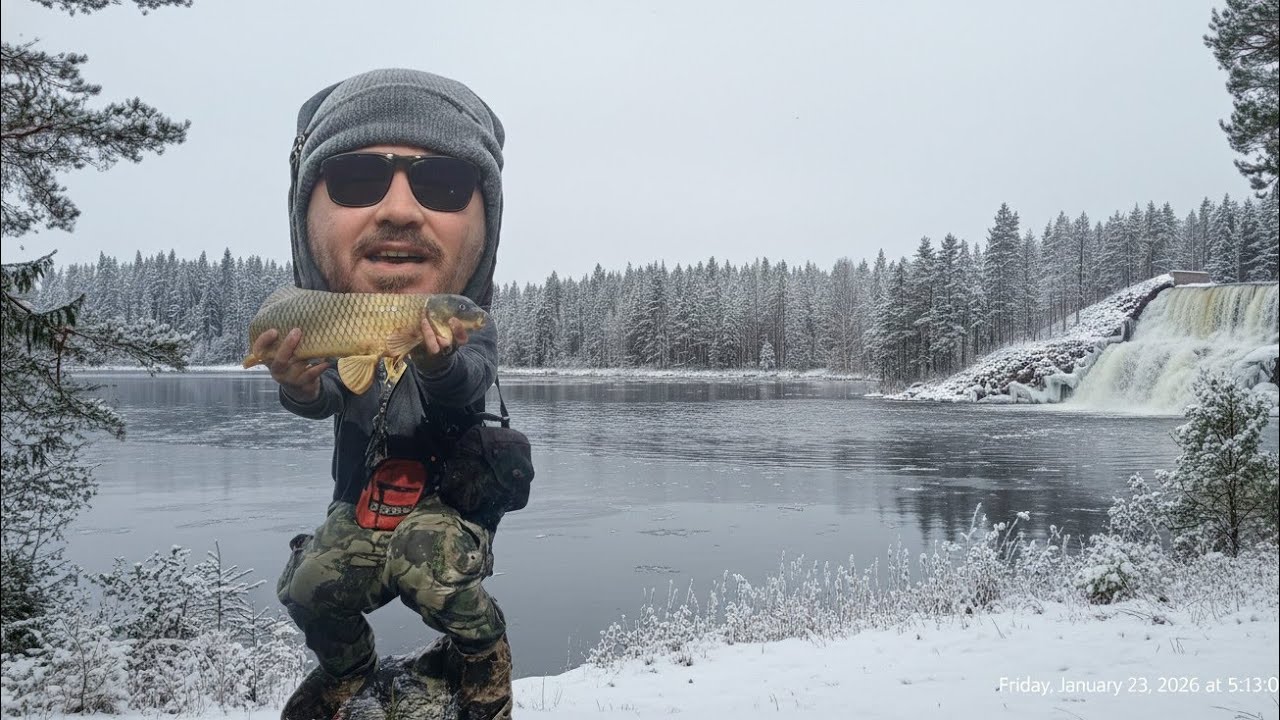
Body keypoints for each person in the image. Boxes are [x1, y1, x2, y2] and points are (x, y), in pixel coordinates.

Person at [257, 68, 513, 720]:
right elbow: (329, 395)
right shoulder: (347, 327)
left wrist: (435, 360)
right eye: (356, 179)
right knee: (308, 587)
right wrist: (298, 386)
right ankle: (349, 669)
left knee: (428, 565)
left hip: (449, 508)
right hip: (365, 506)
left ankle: (482, 656)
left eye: (444, 184)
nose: (399, 210)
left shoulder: (467, 326)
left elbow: (467, 385)